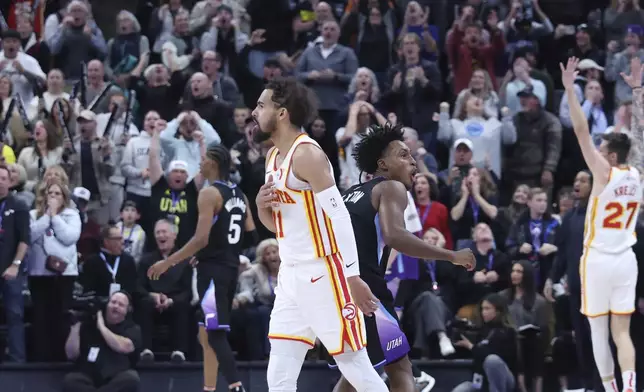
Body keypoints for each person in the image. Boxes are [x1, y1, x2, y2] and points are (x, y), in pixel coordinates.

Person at [253, 77, 387, 392]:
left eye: (261, 105)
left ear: (282, 113)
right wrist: (261, 209)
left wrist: (352, 277)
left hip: (324, 273)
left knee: (356, 367)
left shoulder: (307, 156)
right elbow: (282, 226)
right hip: (290, 276)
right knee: (279, 376)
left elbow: (339, 216)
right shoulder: (273, 157)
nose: (255, 112)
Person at [333, 123, 474, 392]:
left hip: (339, 287)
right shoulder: (390, 189)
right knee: (391, 368)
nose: (413, 162)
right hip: (366, 289)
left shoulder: (346, 194)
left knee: (371, 368)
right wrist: (451, 255)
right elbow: (396, 236)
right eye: (404, 155)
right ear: (382, 164)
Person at [148, 145, 258, 392]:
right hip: (228, 270)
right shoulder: (239, 193)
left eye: (204, 158)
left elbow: (201, 239)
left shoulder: (209, 193)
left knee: (215, 334)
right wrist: (223, 254)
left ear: (215, 162)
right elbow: (251, 233)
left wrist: (168, 261)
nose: (200, 162)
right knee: (205, 332)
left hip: (212, 274)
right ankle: (209, 387)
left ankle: (236, 386)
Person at [561, 56, 642, 392]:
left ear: (610, 156)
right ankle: (630, 386)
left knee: (597, 330)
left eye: (603, 146)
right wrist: (637, 93)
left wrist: (569, 90)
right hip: (626, 259)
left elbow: (580, 129)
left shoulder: (602, 172)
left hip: (597, 259)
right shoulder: (637, 174)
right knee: (622, 333)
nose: (598, 147)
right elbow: (639, 134)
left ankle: (610, 390)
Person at [62, 291, 141, 392]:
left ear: (128, 310)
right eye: (113, 302)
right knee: (70, 380)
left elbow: (124, 347)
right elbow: (71, 354)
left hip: (116, 374)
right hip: (88, 374)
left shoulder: (132, 328)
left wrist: (101, 325)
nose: (115, 306)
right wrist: (76, 326)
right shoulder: (88, 325)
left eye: (120, 304)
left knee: (131, 379)